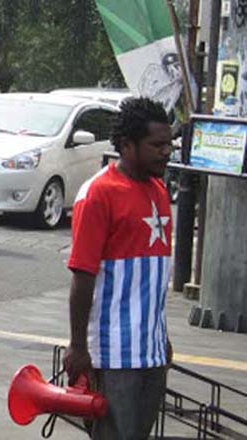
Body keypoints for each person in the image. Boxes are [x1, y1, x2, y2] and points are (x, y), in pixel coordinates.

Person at [63, 97, 173, 440]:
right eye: (157, 145)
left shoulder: (158, 190)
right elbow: (83, 276)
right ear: (127, 145)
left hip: (152, 352)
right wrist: (79, 346)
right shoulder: (98, 194)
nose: (166, 151)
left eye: (169, 143)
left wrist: (163, 338)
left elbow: (152, 278)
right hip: (113, 354)